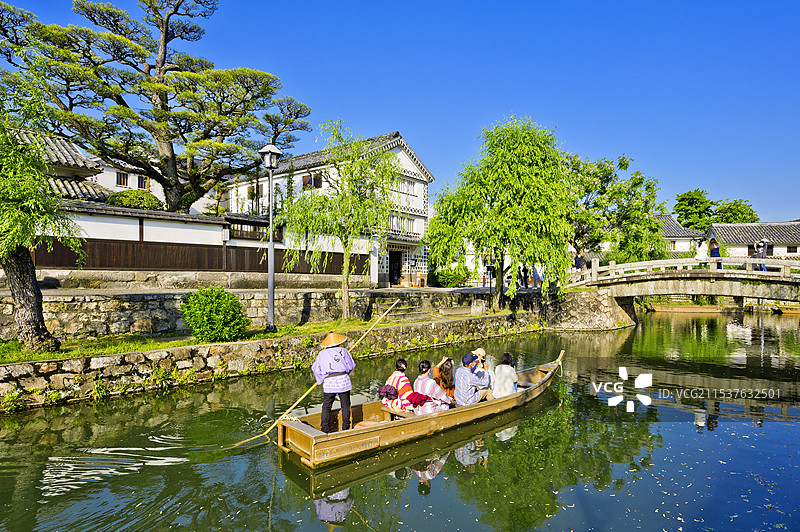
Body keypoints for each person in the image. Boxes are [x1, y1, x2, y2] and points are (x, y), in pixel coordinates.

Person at [311, 332, 356, 433]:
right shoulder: (343, 351)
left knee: (326, 406)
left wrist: (321, 379)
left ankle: (325, 429)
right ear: (338, 342)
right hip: (343, 380)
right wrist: (345, 373)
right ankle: (345, 427)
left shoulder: (321, 354)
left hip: (329, 382)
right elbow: (351, 365)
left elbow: (315, 369)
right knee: (345, 405)